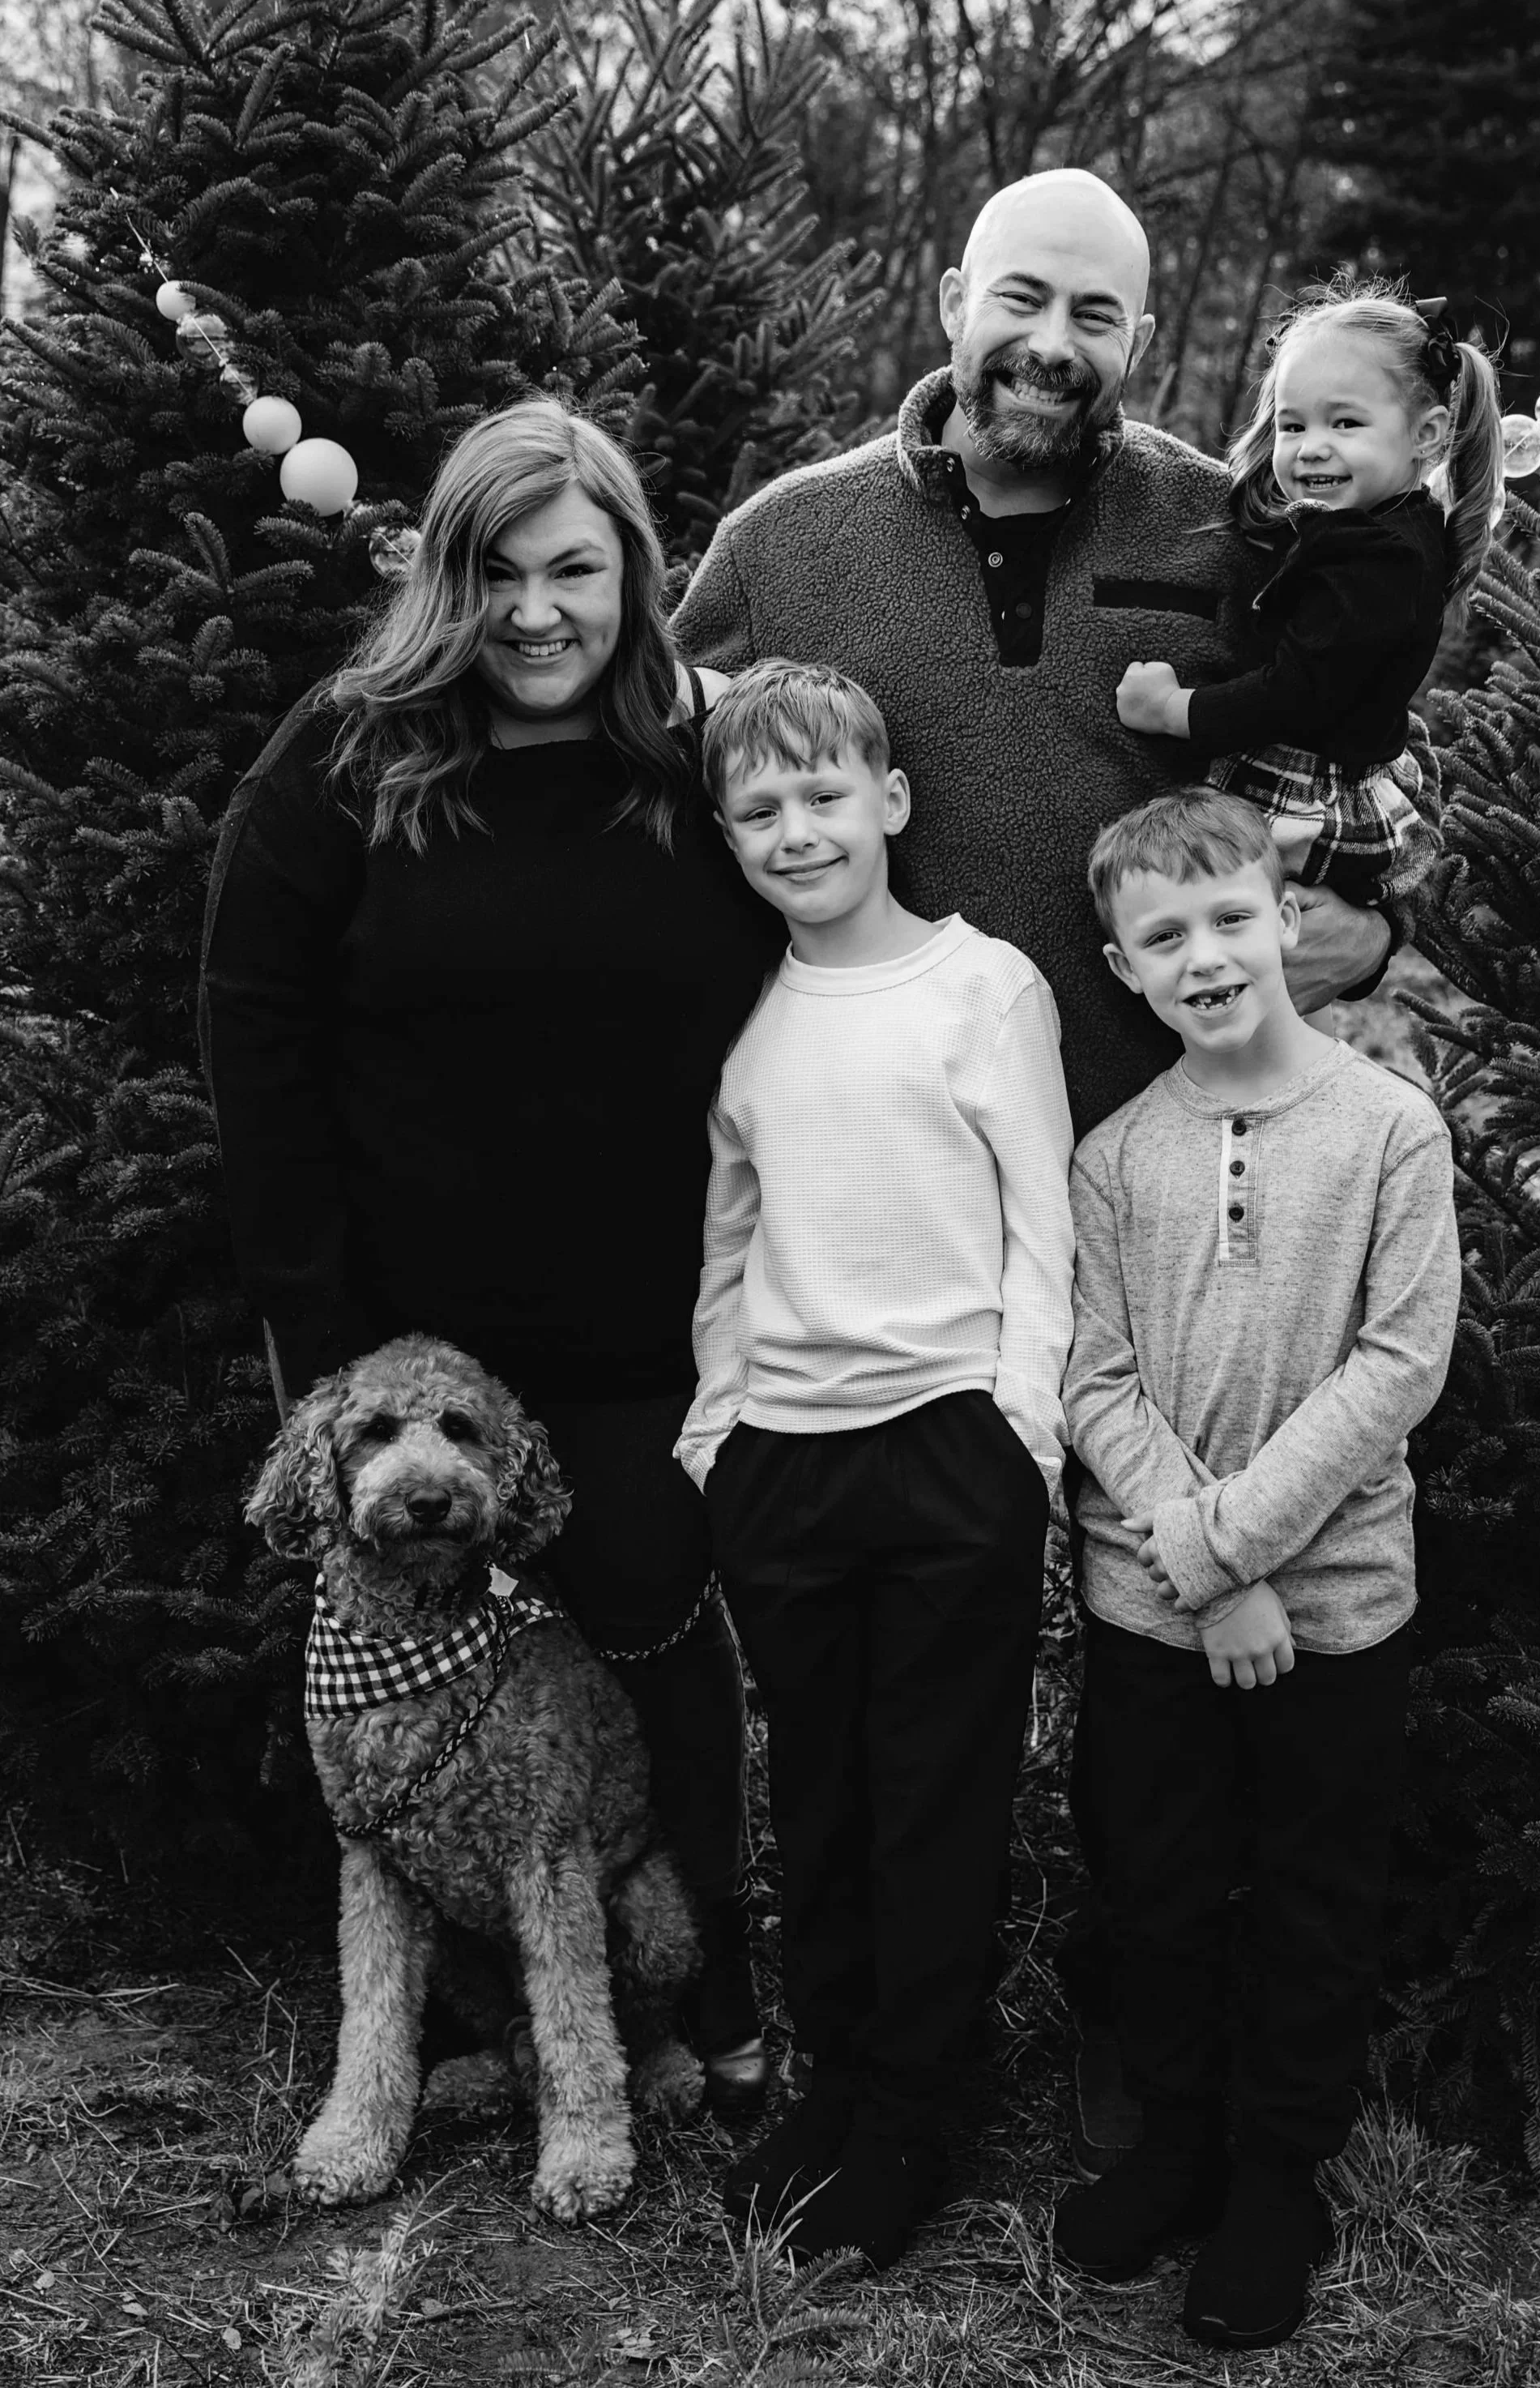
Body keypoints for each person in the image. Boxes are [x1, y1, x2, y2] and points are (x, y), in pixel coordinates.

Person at [199, 399, 782, 2112]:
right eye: (502, 571)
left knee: (657, 1634)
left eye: (578, 572)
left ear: (633, 577)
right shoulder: (343, 755)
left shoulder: (686, 760)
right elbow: (255, 1031)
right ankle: (459, 2013)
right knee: (415, 1691)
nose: (539, 610)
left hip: (639, 1334)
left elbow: (839, 912)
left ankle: (710, 1982)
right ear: (449, 579)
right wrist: (323, 1339)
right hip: (413, 1351)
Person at [676, 169, 1404, 1141]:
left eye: (1095, 317)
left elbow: (1379, 740)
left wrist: (1377, 934)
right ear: (952, 303)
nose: (1053, 346)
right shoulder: (779, 546)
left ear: (1137, 345)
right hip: (888, 1159)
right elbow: (664, 815)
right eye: (1021, 298)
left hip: (1170, 1155)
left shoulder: (1235, 527)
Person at [676, 660, 1076, 2271]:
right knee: (822, 1796)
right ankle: (834, 2078)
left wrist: (1018, 1435)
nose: (796, 828)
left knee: (936, 1796)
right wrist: (715, 1430)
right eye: (758, 806)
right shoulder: (741, 1012)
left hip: (944, 1454)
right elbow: (724, 1240)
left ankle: (918, 2103)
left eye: (823, 794)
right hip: (780, 1457)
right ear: (724, 830)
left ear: (890, 801)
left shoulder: (984, 988)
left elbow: (1043, 1226)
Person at [1051, 787, 1461, 2350]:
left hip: (1338, 1603)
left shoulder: (1385, 1128)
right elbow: (1093, 1382)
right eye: (1164, 936)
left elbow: (1399, 1358)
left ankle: (1275, 2175)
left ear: (1286, 920)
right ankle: (1176, 2141)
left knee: (1309, 1894)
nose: (1205, 953)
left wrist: (1242, 1544)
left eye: (1229, 918)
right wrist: (1204, 1576)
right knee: (1158, 1886)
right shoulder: (1112, 1156)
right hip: (1150, 1610)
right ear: (1122, 965)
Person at [1116, 281, 1504, 906]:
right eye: (1292, 424)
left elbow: (1295, 694)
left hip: (1304, 798)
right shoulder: (1396, 526)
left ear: (1427, 436)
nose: (1311, 446)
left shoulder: (1375, 558)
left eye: (1345, 422)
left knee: (1164, 890)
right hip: (1334, 777)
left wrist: (1171, 708)